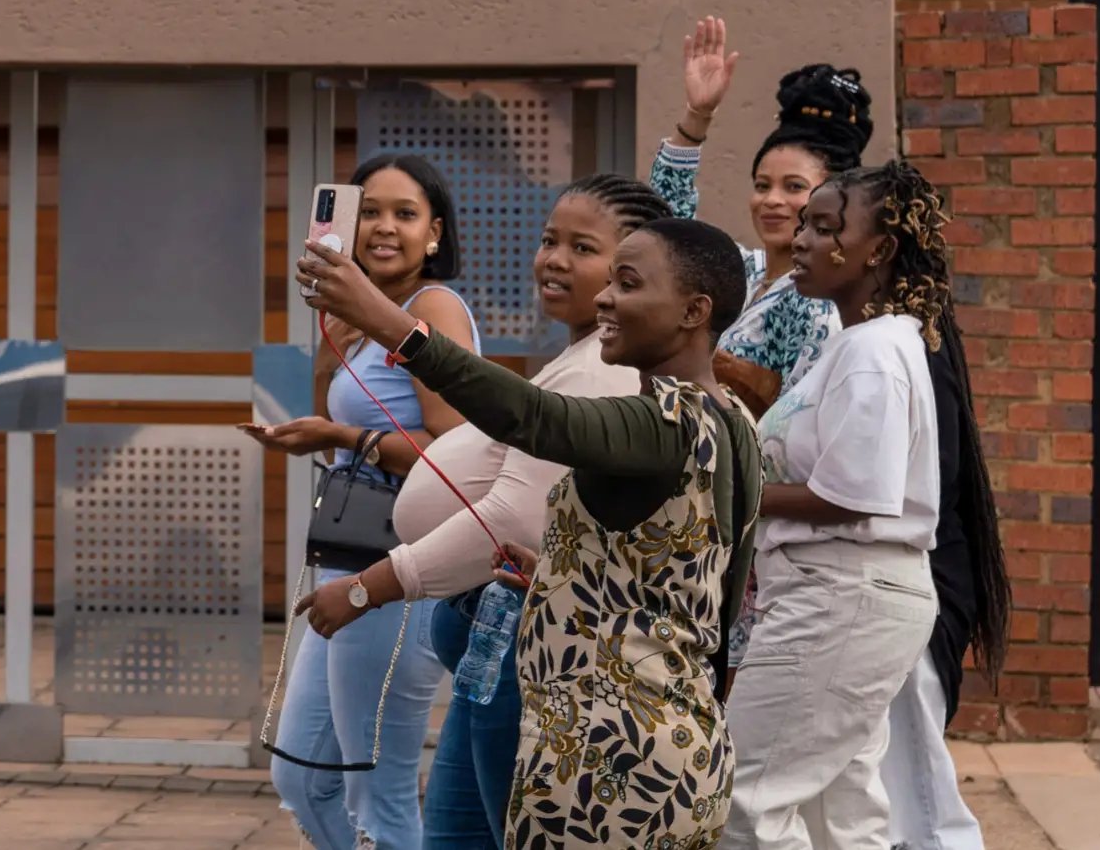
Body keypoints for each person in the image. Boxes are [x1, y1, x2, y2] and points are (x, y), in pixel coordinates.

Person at [297, 215, 762, 850]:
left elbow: (533, 417)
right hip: (673, 742)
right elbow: (683, 580)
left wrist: (385, 321)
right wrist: (560, 575)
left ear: (693, 311)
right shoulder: (731, 419)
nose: (604, 296)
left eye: (626, 283)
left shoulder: (665, 422)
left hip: (610, 763)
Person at [719, 161, 957, 850]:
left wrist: (726, 488)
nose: (803, 240)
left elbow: (852, 497)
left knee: (741, 800)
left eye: (826, 228)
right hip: (840, 596)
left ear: (877, 251)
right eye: (805, 226)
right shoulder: (862, 344)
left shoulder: (875, 353)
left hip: (840, 597)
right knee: (838, 816)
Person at [243, 153, 479, 850]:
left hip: (401, 564)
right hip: (347, 552)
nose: (383, 227)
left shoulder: (431, 309)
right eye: (368, 211)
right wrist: (330, 340)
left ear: (435, 233)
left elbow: (458, 449)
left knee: (378, 788)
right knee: (302, 775)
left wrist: (347, 433)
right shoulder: (356, 314)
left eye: (404, 214)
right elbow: (330, 437)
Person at [877, 195, 1011, 850]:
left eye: (824, 222)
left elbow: (899, 494)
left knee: (918, 798)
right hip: (854, 599)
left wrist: (758, 492)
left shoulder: (899, 354)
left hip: (902, 596)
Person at [652, 16, 872, 415]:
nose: (771, 200)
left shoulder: (816, 302)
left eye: (793, 187)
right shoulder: (741, 270)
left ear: (832, 201)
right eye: (761, 185)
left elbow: (796, 427)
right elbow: (667, 231)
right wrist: (696, 118)